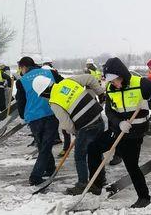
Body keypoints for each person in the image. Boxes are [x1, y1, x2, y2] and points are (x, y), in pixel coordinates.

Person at [88, 57, 151, 208]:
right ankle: (97, 184)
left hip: (134, 133)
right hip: (117, 129)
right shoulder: (111, 88)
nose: (113, 84)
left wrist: (149, 103)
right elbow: (109, 110)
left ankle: (144, 197)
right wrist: (119, 123)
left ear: (122, 75)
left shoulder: (140, 83)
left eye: (115, 80)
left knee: (131, 164)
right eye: (111, 81)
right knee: (93, 147)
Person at [32, 73, 105, 195]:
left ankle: (82, 184)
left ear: (44, 92)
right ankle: (100, 180)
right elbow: (90, 78)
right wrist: (100, 93)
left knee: (80, 156)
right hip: (98, 119)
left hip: (86, 127)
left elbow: (66, 124)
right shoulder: (68, 81)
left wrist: (75, 132)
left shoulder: (54, 101)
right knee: (96, 152)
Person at [15, 56, 63, 186]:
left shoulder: (21, 81)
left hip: (34, 117)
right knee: (45, 145)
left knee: (44, 145)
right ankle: (50, 168)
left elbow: (21, 102)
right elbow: (63, 86)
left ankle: (35, 176)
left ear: (24, 67)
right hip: (51, 112)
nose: (21, 71)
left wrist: (23, 116)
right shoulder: (50, 73)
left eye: (20, 68)